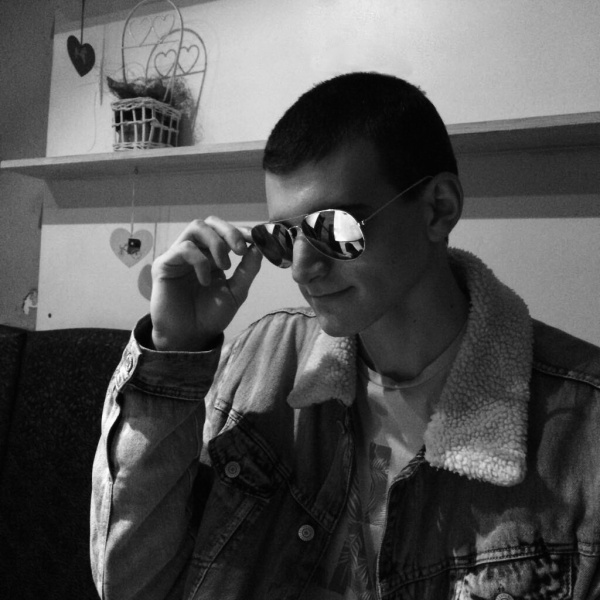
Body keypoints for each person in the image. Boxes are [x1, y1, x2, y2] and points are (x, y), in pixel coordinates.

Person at [91, 72, 600, 600]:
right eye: (283, 237)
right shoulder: (266, 362)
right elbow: (131, 584)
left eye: (334, 228)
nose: (301, 269)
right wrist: (173, 353)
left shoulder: (582, 428)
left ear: (438, 209)